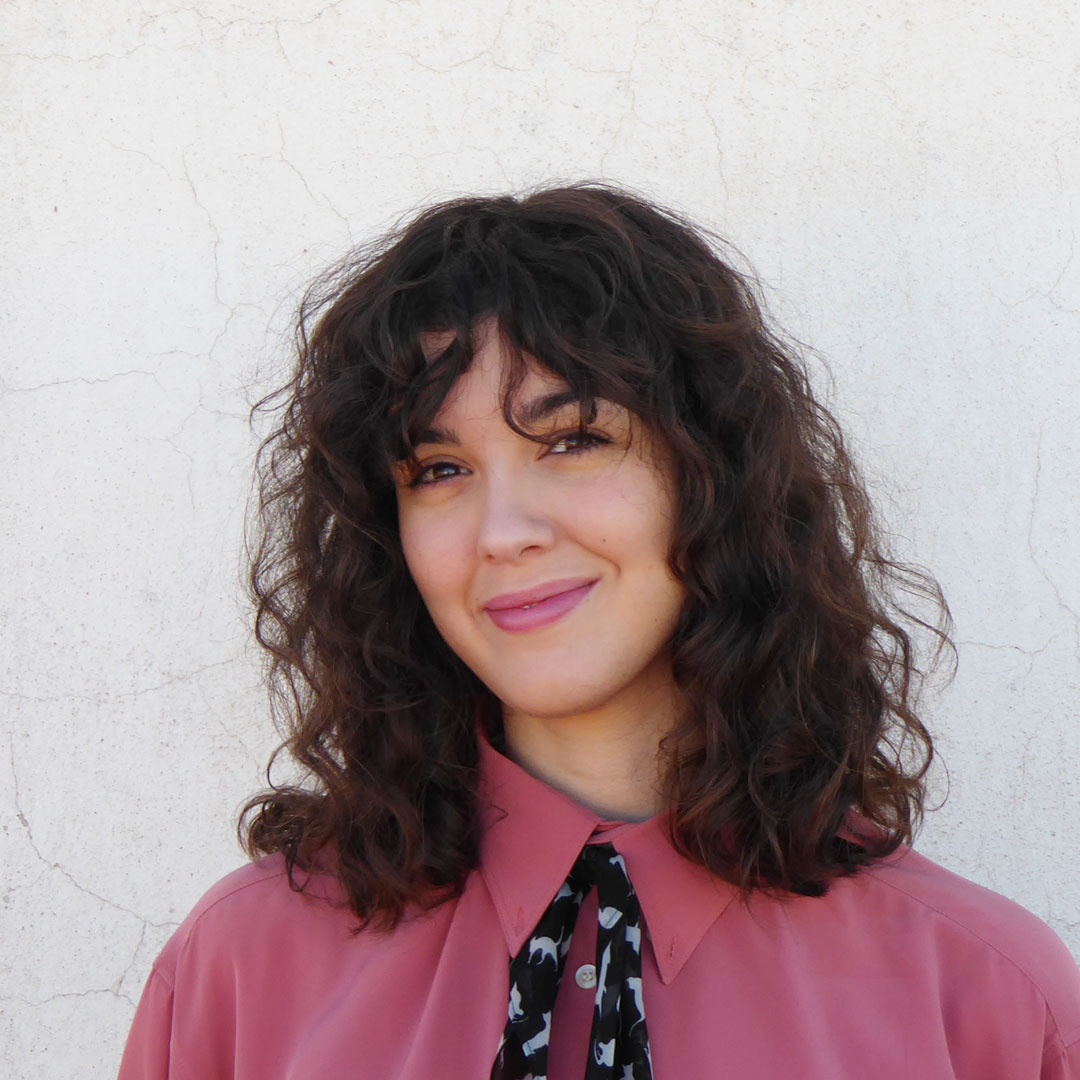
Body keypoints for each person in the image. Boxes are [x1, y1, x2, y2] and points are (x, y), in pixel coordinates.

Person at [118, 182, 1080, 1079]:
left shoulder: (985, 997)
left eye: (572, 440)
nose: (502, 534)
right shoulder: (239, 973)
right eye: (439, 470)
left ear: (714, 475)